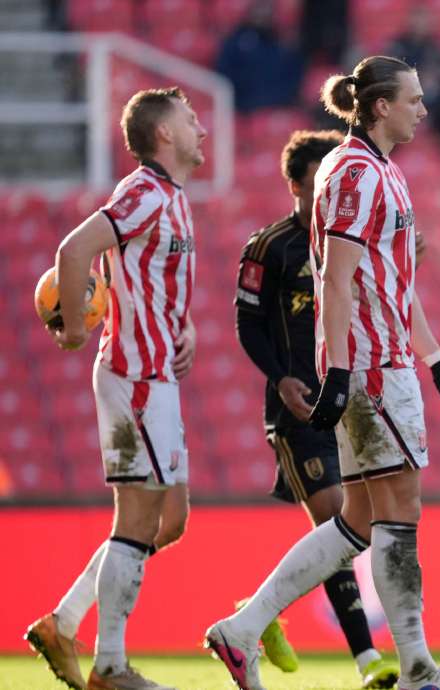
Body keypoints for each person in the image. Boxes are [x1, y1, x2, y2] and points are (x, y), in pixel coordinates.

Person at [206, 56, 440, 690]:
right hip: (373, 368)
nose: (423, 109)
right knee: (400, 509)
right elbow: (337, 276)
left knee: (358, 518)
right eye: (413, 98)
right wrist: (338, 369)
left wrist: (438, 362)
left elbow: (391, 281)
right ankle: (417, 668)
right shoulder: (359, 173)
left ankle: (242, 629)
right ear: (381, 106)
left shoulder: (373, 169)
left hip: (382, 361)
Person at [26, 86, 206, 690]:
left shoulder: (174, 198)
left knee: (169, 521)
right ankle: (110, 665)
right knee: (136, 519)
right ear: (163, 135)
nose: (200, 126)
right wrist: (75, 331)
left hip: (159, 373)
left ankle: (64, 621)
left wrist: (185, 328)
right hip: (134, 376)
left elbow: (151, 279)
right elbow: (73, 250)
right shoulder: (142, 192)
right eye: (189, 118)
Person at [232, 129, 406, 688]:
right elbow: (248, 324)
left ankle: (257, 613)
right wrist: (280, 378)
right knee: (341, 521)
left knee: (353, 525)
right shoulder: (271, 247)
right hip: (299, 408)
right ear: (294, 185)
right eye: (315, 185)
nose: (328, 193)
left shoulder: (348, 241)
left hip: (348, 400)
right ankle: (367, 660)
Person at [215, 0, 304, 113]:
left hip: (278, 108)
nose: (263, 13)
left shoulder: (283, 44)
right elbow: (225, 77)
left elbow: (293, 79)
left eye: (267, 7)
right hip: (245, 110)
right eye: (260, 7)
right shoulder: (235, 43)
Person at [383, 5, 440, 103]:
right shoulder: (398, 45)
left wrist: (434, 75)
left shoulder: (436, 45)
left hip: (429, 91)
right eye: (417, 20)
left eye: (424, 20)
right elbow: (390, 70)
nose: (420, 24)